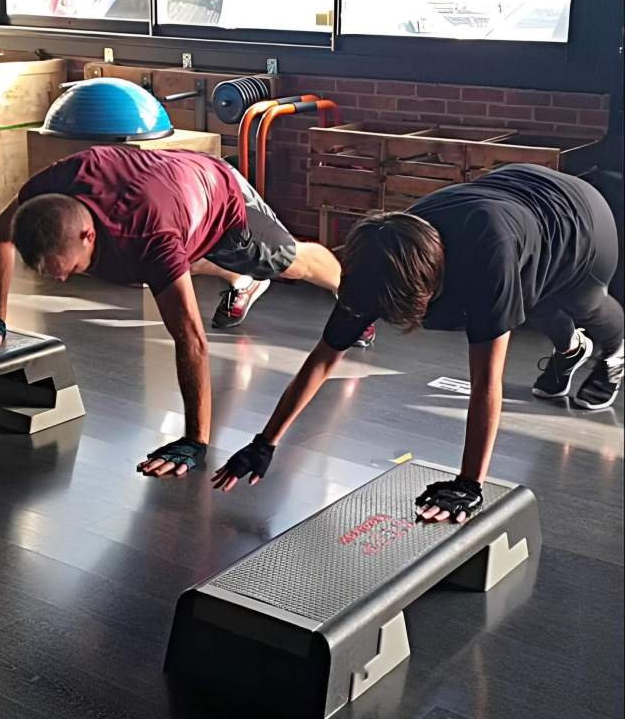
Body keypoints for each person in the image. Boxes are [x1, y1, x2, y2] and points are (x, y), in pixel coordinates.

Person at [211, 163, 624, 524]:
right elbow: (323, 357)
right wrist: (265, 442)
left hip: (580, 219)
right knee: (529, 301)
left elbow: (485, 384)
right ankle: (570, 350)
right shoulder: (378, 258)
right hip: (514, 198)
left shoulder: (487, 261)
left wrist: (469, 484)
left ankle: (613, 353)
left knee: (580, 302)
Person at [0, 145, 374, 476]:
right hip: (169, 189)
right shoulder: (47, 190)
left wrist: (194, 441)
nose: (61, 281)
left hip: (219, 197)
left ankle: (353, 295)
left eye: (69, 268)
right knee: (146, 267)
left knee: (289, 263)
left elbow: (191, 339)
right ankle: (238, 280)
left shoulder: (149, 234)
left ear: (87, 233)